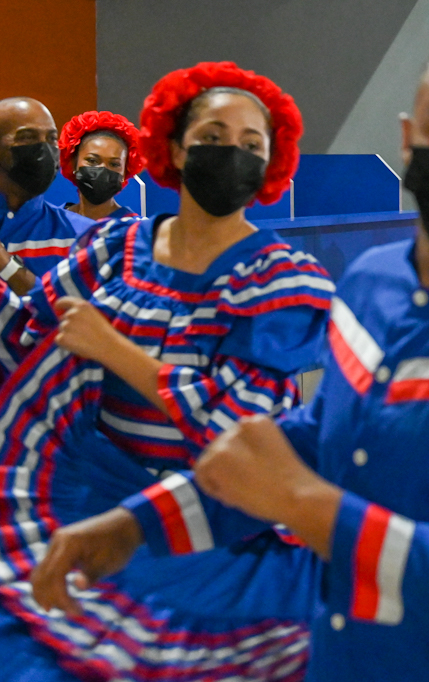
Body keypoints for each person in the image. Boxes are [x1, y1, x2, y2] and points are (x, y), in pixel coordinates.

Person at [32, 27, 429, 682]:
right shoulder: (371, 284)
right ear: (408, 140)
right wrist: (136, 526)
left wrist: (309, 507)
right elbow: (318, 441)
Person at [0, 62, 335, 679]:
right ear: (176, 148)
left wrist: (114, 350)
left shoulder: (284, 280)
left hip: (212, 536)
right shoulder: (112, 248)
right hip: (85, 511)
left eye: (251, 144)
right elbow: (29, 343)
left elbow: (241, 432)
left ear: (271, 163)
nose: (231, 154)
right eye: (212, 137)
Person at [0, 97, 93, 296]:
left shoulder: (85, 237)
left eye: (51, 138)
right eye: (27, 137)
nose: (44, 149)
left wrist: (7, 266)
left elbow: (77, 311)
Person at [58, 109, 146, 222]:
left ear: (125, 171)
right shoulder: (52, 222)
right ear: (73, 163)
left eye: (114, 164)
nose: (102, 169)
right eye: (92, 160)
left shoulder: (138, 228)